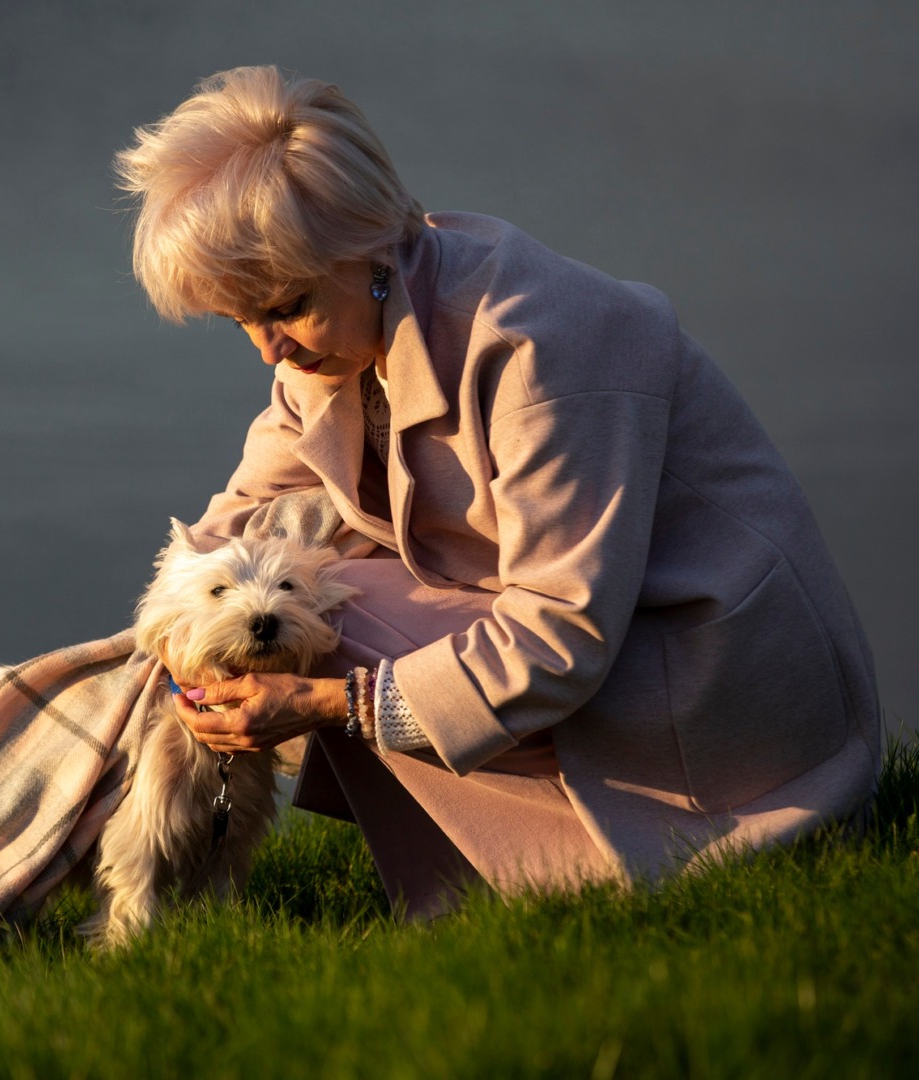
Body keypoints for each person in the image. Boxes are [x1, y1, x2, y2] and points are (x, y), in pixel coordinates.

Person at [116, 65, 882, 915]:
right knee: (255, 598)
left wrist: (327, 703)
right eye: (240, 323)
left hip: (723, 711)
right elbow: (228, 537)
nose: (269, 352)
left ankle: (573, 869)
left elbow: (563, 632)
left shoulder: (537, 348)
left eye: (284, 308)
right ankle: (474, 885)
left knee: (325, 607)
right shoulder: (340, 332)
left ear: (363, 246)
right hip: (607, 659)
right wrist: (108, 684)